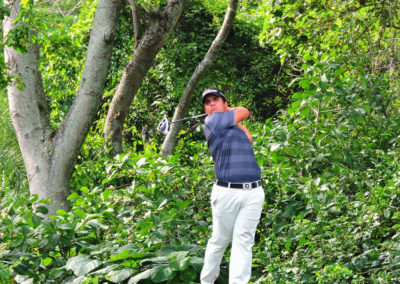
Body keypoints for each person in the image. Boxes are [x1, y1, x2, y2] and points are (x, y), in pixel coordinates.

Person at [200, 87, 265, 284]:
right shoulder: (211, 121)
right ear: (205, 109)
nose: (211, 103)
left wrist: (229, 112)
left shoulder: (232, 123)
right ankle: (207, 281)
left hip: (253, 192)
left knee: (243, 242)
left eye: (215, 100)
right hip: (227, 191)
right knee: (219, 241)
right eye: (207, 102)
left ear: (224, 103)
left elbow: (249, 139)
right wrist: (229, 111)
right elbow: (244, 111)